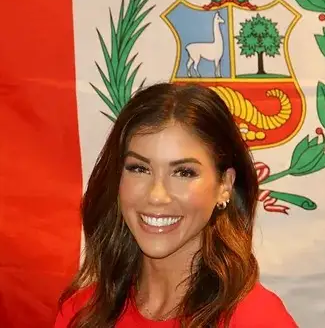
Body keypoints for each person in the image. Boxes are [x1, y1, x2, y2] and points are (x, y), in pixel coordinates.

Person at [55, 82, 298, 328]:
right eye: (139, 168)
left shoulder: (257, 319)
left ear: (224, 185)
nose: (156, 195)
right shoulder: (83, 313)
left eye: (184, 172)